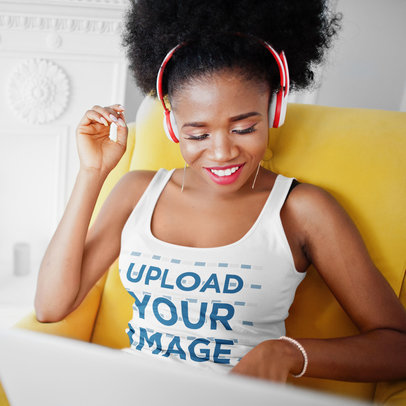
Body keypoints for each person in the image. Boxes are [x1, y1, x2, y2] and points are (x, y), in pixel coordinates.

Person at [34, 0, 406, 384]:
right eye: (197, 134)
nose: (222, 152)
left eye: (244, 128)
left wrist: (287, 353)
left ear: (274, 110)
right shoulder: (137, 191)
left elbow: (397, 346)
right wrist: (92, 173)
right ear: (172, 126)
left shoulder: (302, 209)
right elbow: (50, 306)